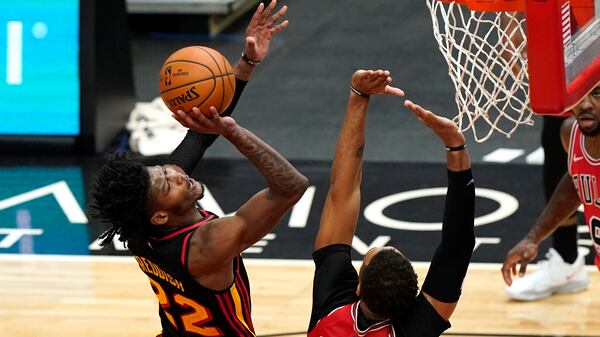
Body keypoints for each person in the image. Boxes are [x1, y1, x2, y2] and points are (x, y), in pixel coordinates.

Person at [89, 2, 309, 336]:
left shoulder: (140, 224)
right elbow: (291, 187)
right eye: (168, 184)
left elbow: (201, 133)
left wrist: (245, 65)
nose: (177, 174)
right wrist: (234, 132)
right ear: (160, 215)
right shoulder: (207, 245)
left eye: (165, 169)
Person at [307, 69, 475, 336]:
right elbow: (458, 246)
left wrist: (358, 96)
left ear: (358, 288)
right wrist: (455, 146)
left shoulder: (332, 311)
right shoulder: (416, 328)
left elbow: (344, 189)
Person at [499, 11, 589, 301]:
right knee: (561, 130)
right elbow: (574, 178)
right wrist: (509, 15)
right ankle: (566, 258)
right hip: (572, 17)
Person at [502, 85, 600, 299]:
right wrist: (533, 238)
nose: (585, 105)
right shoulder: (570, 133)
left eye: (597, 94)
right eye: (579, 95)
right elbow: (578, 179)